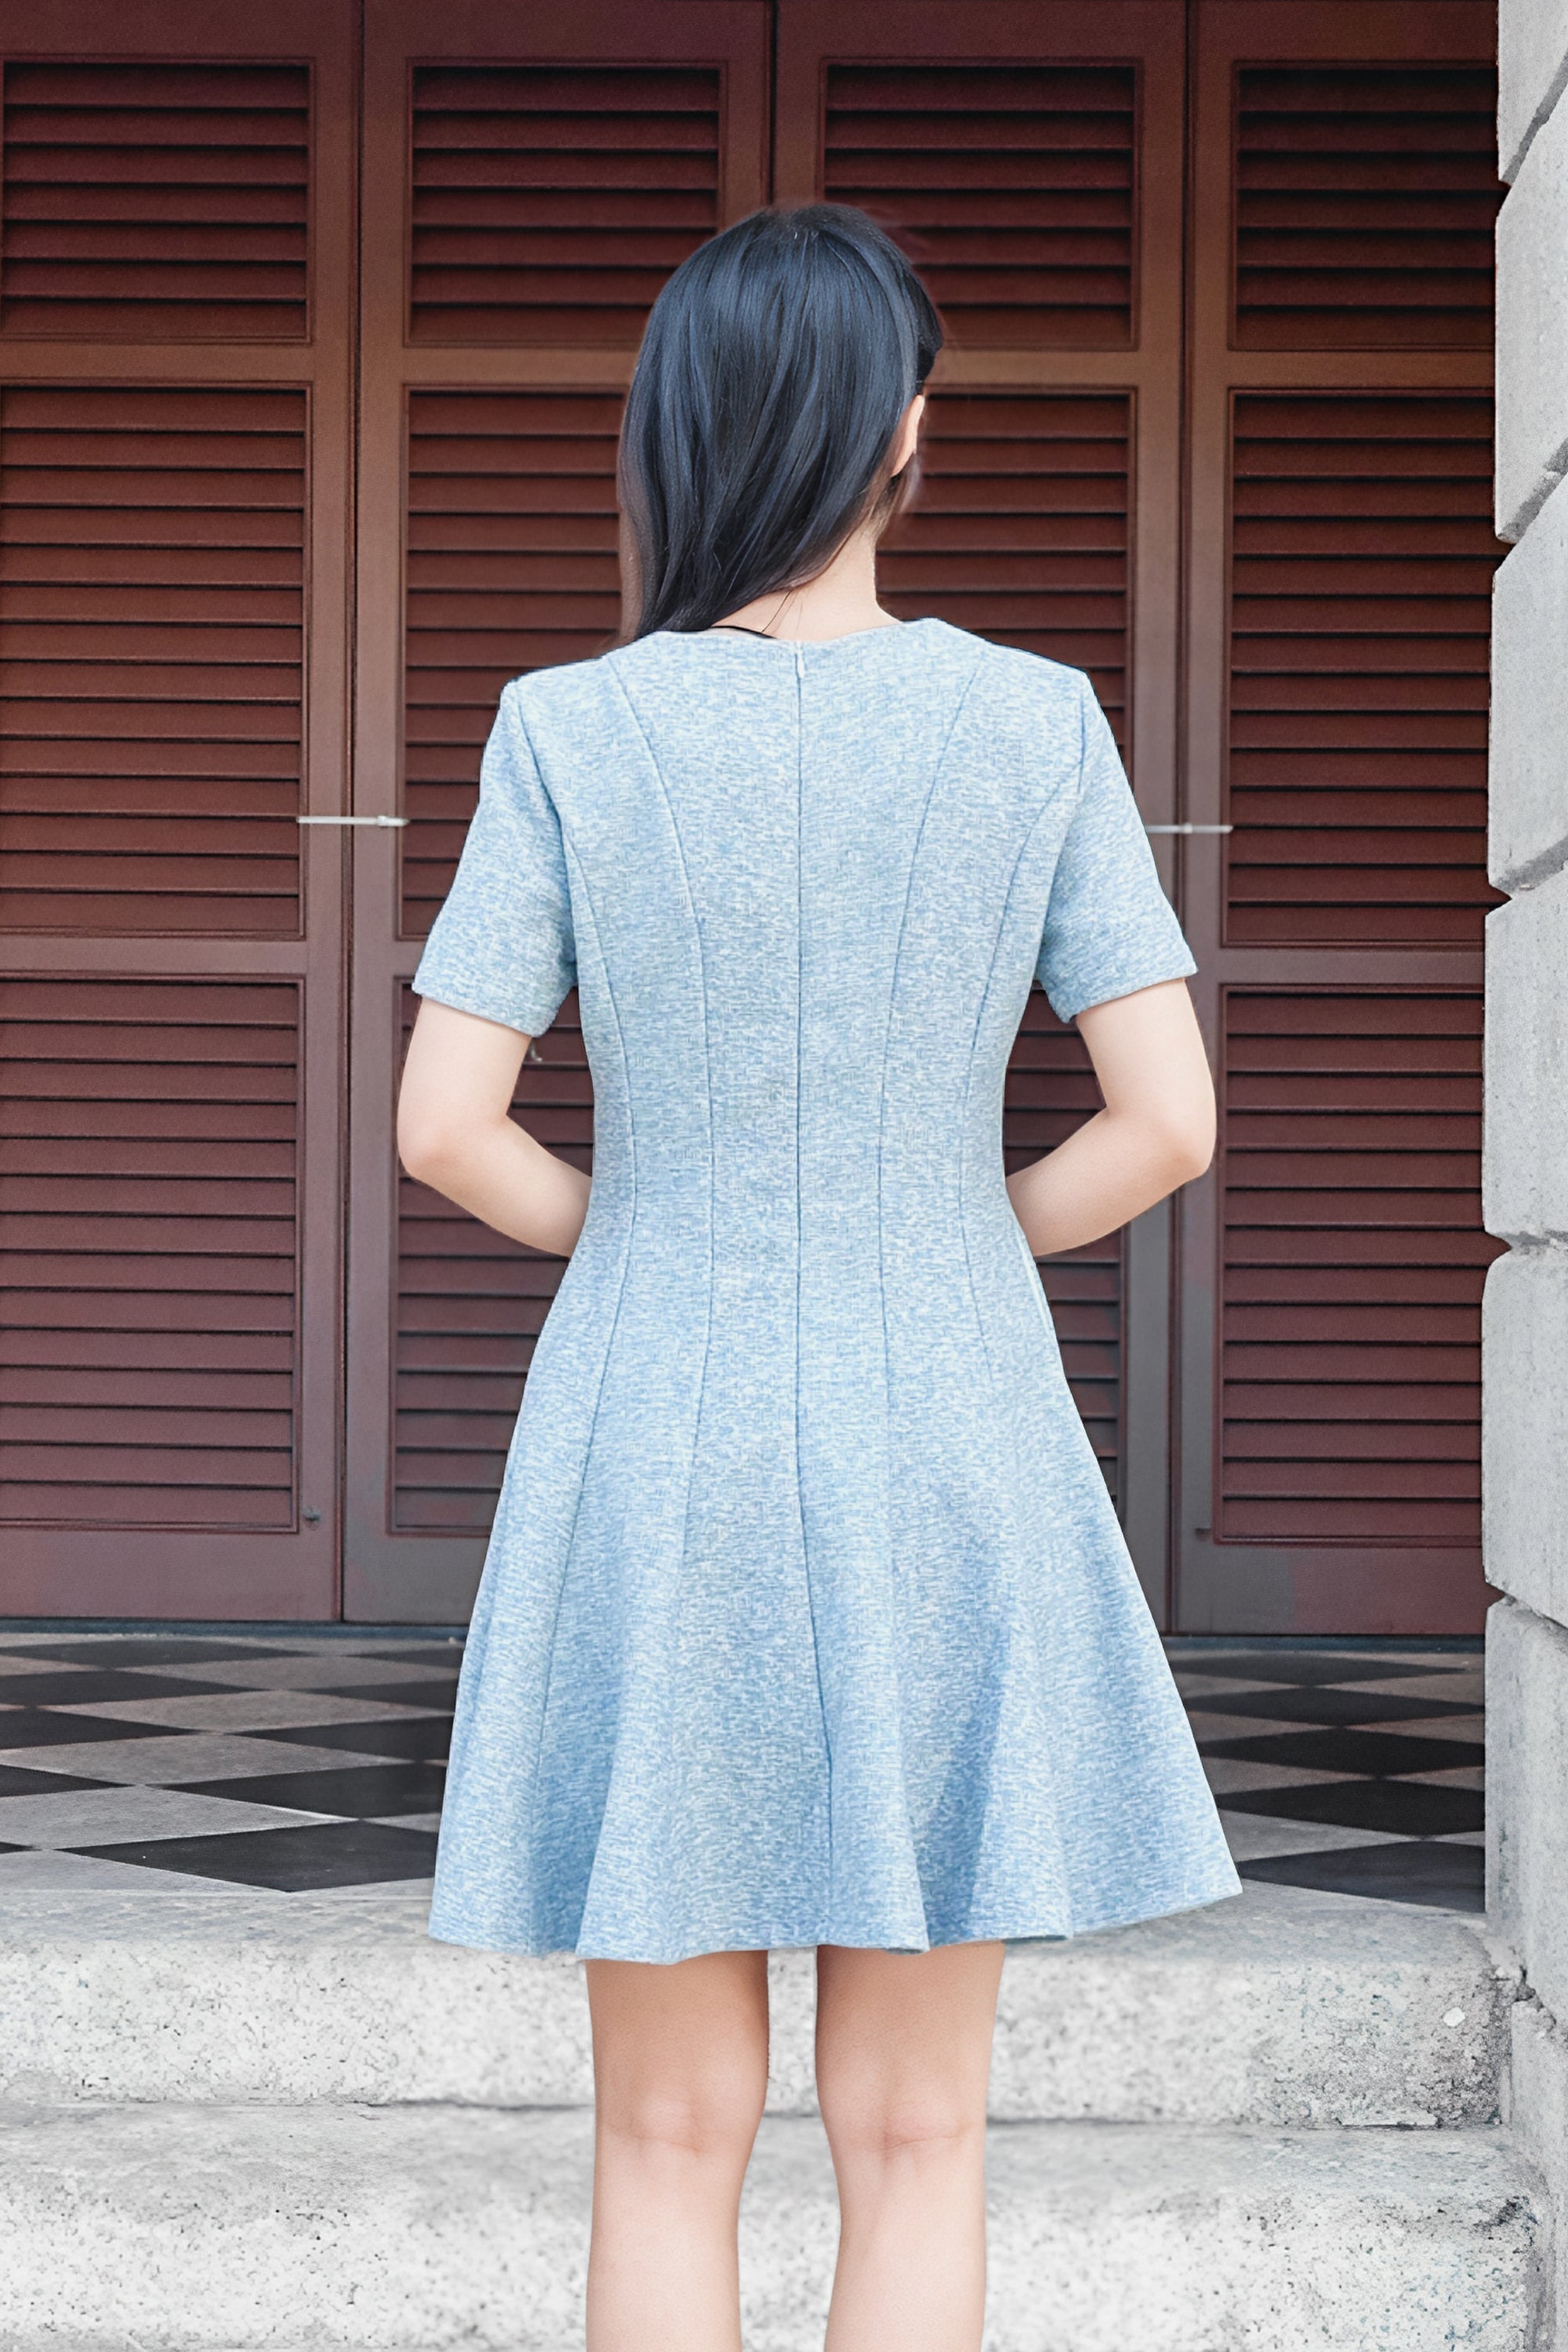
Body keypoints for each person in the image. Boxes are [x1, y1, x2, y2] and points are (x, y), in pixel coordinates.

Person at [397, 202, 1240, 2352]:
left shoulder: (567, 726)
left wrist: (661, 1236)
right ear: (905, 432)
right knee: (921, 2137)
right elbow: (1167, 1120)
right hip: (945, 1424)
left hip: (652, 1438)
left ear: (672, 437)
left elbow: (445, 1126)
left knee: (666, 2137)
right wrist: (937, 1239)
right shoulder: (1033, 720)